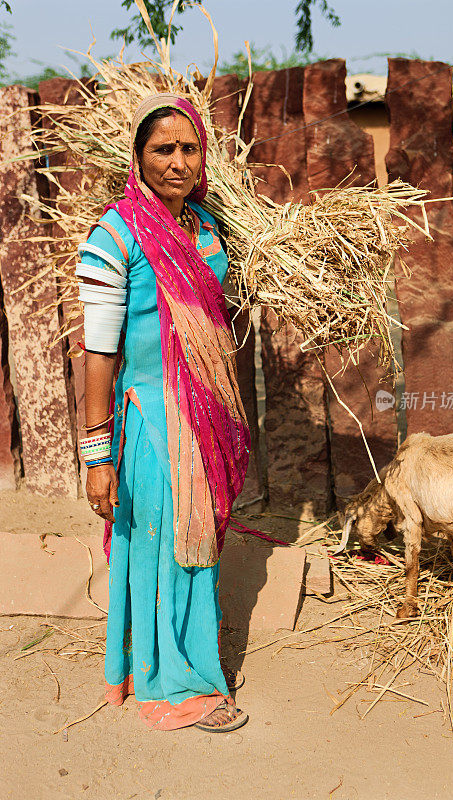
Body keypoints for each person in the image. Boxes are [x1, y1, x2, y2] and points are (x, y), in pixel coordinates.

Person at [77, 93, 250, 732]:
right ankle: (170, 681)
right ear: (138, 157)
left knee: (200, 541)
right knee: (169, 542)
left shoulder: (206, 231)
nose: (178, 162)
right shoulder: (113, 235)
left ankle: (188, 656)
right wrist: (98, 456)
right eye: (162, 149)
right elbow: (98, 352)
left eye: (189, 148)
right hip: (151, 421)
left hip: (205, 417)